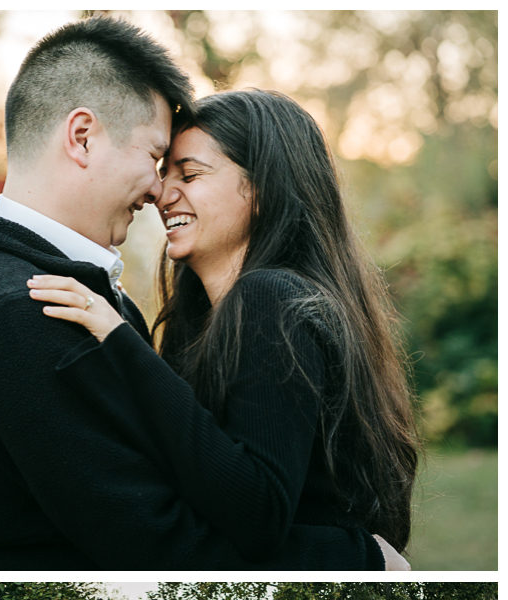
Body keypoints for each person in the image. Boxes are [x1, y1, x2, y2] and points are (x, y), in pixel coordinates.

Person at [0, 16, 404, 570]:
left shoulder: (66, 291)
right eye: (156, 159)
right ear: (81, 137)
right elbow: (157, 544)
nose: (160, 191)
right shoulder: (25, 308)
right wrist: (355, 560)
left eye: (185, 171)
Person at [28, 87, 420, 565]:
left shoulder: (271, 301)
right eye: (163, 174)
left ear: (263, 188)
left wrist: (119, 343)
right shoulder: (203, 322)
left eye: (190, 174)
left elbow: (257, 516)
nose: (161, 195)